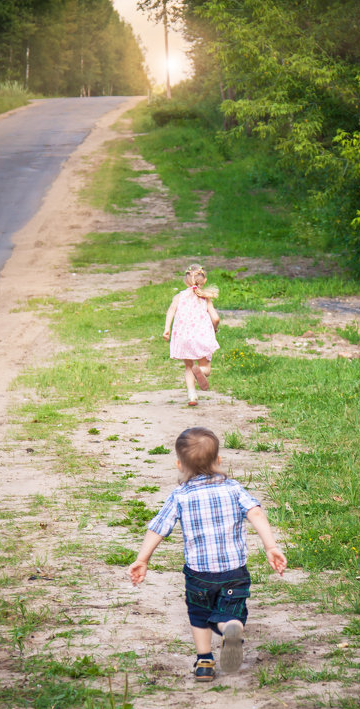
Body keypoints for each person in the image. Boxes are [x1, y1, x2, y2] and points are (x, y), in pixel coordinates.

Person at [127, 427, 287, 681]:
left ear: (179, 465)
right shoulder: (233, 489)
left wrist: (142, 559)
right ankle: (228, 627)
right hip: (234, 571)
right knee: (230, 610)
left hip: (199, 574)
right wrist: (271, 546)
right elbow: (255, 512)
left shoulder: (180, 496)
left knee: (199, 614)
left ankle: (204, 662)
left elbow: (158, 527)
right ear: (219, 461)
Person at [163, 265, 220, 406]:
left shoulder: (179, 296)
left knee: (188, 366)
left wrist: (167, 329)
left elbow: (171, 311)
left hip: (183, 337)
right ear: (204, 280)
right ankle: (199, 371)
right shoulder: (206, 298)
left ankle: (192, 396)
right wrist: (215, 328)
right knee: (205, 367)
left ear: (185, 281)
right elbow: (216, 318)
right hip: (201, 336)